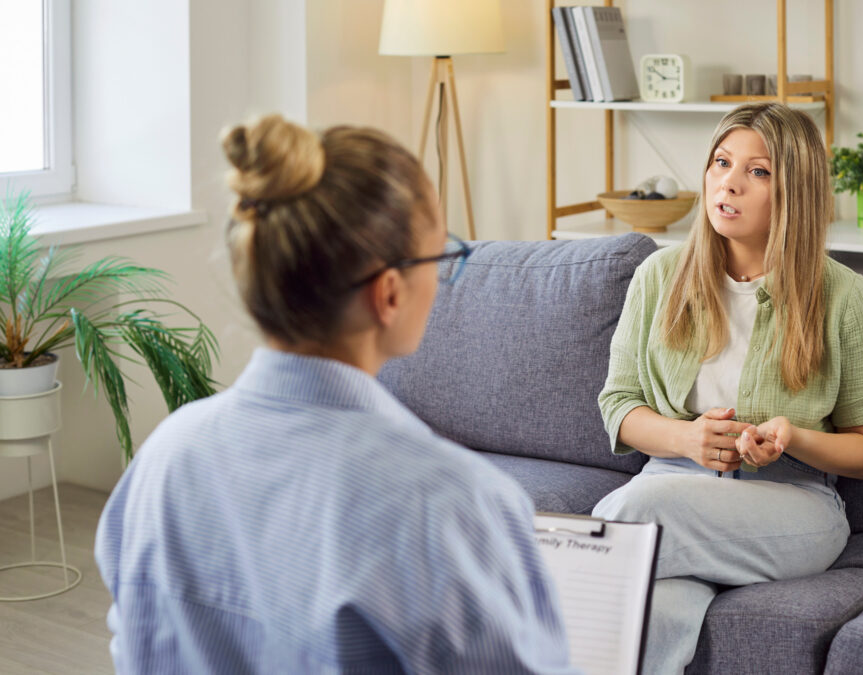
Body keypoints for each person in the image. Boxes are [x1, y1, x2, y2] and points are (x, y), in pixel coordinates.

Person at [95, 115, 578, 674]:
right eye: (441, 256)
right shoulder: (450, 502)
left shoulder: (165, 455)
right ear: (389, 294)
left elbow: (134, 647)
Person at [593, 103, 863, 672]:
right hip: (671, 483)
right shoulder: (657, 278)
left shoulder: (845, 297)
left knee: (642, 510)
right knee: (651, 616)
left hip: (793, 508)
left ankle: (547, 576)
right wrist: (685, 440)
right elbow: (618, 404)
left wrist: (794, 436)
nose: (727, 183)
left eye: (757, 172)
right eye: (720, 162)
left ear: (794, 193)